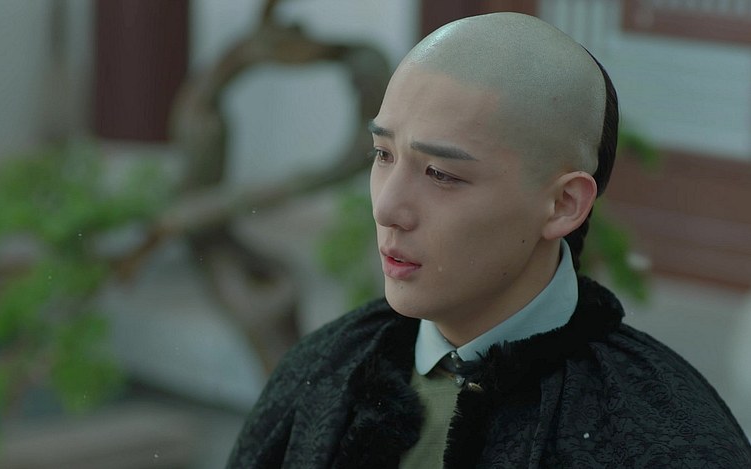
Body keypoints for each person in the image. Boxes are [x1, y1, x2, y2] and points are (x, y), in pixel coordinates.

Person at [227, 12, 751, 468]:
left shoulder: (661, 432)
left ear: (564, 204)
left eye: (441, 173)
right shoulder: (325, 367)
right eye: (383, 154)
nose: (386, 208)